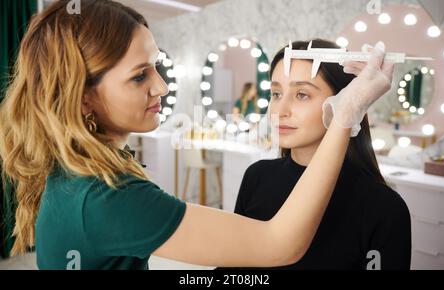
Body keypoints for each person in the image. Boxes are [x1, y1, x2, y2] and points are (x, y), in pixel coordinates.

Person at [0, 1, 394, 270]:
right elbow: (278, 243)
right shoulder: (107, 197)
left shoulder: (80, 172)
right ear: (84, 98)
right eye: (140, 75)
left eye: (156, 66)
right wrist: (346, 115)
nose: (162, 87)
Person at [220, 40, 411, 270]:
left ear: (344, 101)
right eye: (276, 93)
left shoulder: (383, 207)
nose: (279, 111)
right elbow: (234, 264)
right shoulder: (257, 176)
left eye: (302, 95)